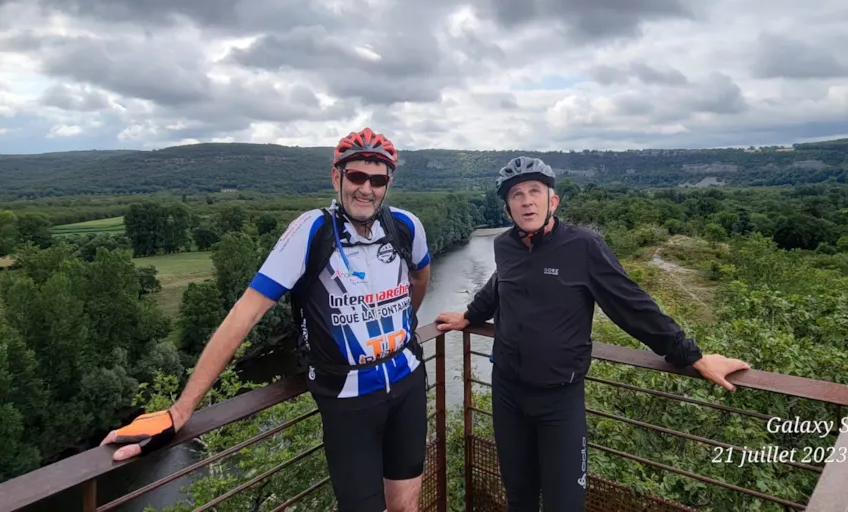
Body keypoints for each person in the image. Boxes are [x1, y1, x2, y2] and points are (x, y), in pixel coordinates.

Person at [101, 128, 433, 512]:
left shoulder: (405, 226)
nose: (366, 189)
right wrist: (181, 409)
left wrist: (404, 321)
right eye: (357, 176)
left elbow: (420, 275)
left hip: (407, 382)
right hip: (347, 398)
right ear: (336, 176)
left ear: (388, 183)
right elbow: (245, 314)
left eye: (377, 180)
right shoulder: (312, 231)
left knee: (406, 507)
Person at [435, 156, 750, 512]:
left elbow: (631, 304)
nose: (526, 200)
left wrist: (692, 355)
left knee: (564, 504)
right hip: (507, 393)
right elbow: (499, 285)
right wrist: (471, 315)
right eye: (517, 195)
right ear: (507, 210)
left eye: (535, 191)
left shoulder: (583, 246)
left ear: (552, 201)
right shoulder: (504, 246)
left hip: (560, 400)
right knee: (519, 498)